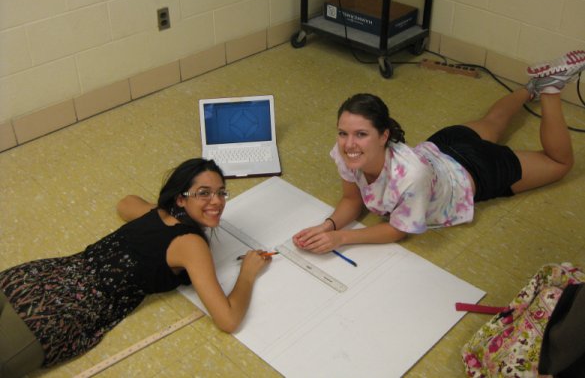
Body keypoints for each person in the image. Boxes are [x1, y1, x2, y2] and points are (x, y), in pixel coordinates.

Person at [0, 158, 272, 378]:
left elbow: (125, 202)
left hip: (29, 278)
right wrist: (248, 272)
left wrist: (168, 208)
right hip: (49, 318)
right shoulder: (191, 244)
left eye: (221, 193)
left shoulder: (156, 214)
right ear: (181, 198)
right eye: (204, 194)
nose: (217, 202)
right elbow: (228, 320)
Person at [293, 50, 585, 254]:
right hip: (443, 144)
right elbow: (351, 197)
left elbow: (398, 230)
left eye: (360, 134)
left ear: (384, 136)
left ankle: (550, 89)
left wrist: (341, 238)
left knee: (558, 163)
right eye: (343, 133)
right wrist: (327, 226)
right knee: (492, 123)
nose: (349, 144)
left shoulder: (410, 175)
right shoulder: (347, 153)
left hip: (476, 169)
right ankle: (530, 87)